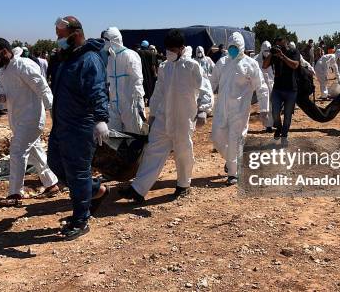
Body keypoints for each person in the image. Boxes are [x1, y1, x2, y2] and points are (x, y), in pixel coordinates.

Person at [119, 29, 205, 201]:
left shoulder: (192, 66)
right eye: (167, 49)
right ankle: (138, 189)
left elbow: (204, 88)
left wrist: (203, 109)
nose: (169, 53)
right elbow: (158, 92)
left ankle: (183, 185)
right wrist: (151, 117)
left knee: (183, 152)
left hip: (183, 118)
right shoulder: (165, 66)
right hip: (163, 118)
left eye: (172, 49)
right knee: (153, 150)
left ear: (181, 48)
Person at [48, 16, 110, 239]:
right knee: (54, 163)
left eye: (61, 35)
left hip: (81, 126)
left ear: (75, 34)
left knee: (77, 173)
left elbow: (97, 89)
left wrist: (101, 118)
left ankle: (81, 220)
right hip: (62, 125)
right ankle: (97, 190)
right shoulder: (68, 58)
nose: (58, 39)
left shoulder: (89, 59)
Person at [0, 38, 59, 206]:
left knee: (18, 151)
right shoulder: (4, 70)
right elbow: (8, 93)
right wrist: (2, 98)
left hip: (31, 118)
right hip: (17, 119)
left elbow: (42, 87)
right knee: (35, 151)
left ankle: (15, 194)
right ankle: (52, 183)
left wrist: (53, 110)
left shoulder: (23, 65)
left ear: (5, 51)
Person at [210, 32, 269, 185]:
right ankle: (232, 161)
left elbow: (261, 87)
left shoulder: (250, 64)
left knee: (234, 140)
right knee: (217, 138)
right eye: (230, 47)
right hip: (221, 110)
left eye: (235, 47)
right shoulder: (222, 63)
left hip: (240, 110)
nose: (232, 50)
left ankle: (233, 174)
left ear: (242, 47)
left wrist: (264, 109)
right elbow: (211, 82)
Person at [102, 27, 145, 134]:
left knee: (133, 134)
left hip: (130, 104)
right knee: (115, 135)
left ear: (113, 40)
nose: (104, 43)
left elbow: (137, 79)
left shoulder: (130, 55)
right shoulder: (111, 58)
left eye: (106, 40)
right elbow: (109, 80)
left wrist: (139, 101)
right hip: (114, 104)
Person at [262, 37, 299, 141]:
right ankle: (278, 128)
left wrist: (282, 56)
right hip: (277, 89)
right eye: (278, 45)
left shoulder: (293, 52)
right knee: (275, 113)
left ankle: (284, 134)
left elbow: (295, 65)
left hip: (291, 89)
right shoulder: (274, 55)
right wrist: (271, 53)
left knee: (287, 115)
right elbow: (264, 65)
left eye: (281, 45)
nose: (280, 48)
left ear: (286, 43)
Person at [254, 41, 274, 132]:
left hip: (272, 84)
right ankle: (268, 124)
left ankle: (271, 124)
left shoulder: (274, 57)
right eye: (265, 50)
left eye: (268, 50)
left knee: (272, 104)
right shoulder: (255, 60)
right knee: (265, 105)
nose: (267, 52)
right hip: (261, 85)